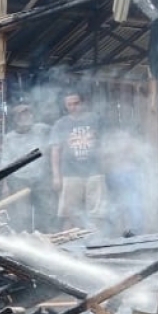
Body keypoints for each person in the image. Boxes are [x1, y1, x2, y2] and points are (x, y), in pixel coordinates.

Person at [49, 90, 107, 232]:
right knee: (69, 214)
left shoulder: (95, 119)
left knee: (97, 214)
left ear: (83, 103)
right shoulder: (60, 124)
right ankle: (66, 246)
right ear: (66, 106)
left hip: (94, 172)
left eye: (76, 103)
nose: (74, 107)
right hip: (70, 174)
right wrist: (56, 176)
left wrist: (105, 167)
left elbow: (106, 144)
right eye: (70, 104)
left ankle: (97, 243)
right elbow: (55, 150)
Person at [0, 102, 54, 233]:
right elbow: (5, 163)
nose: (26, 117)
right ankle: (26, 239)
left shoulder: (42, 129)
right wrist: (5, 185)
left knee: (46, 210)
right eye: (22, 115)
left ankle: (46, 237)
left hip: (41, 177)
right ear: (15, 119)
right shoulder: (9, 138)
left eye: (28, 114)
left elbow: (56, 141)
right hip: (20, 179)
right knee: (23, 214)